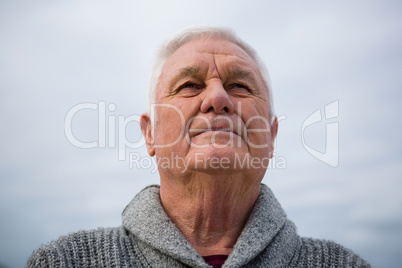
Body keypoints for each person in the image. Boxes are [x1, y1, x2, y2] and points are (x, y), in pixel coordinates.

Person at [27, 25, 370, 268]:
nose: (218, 97)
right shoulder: (63, 261)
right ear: (150, 134)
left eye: (239, 86)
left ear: (272, 136)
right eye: (190, 85)